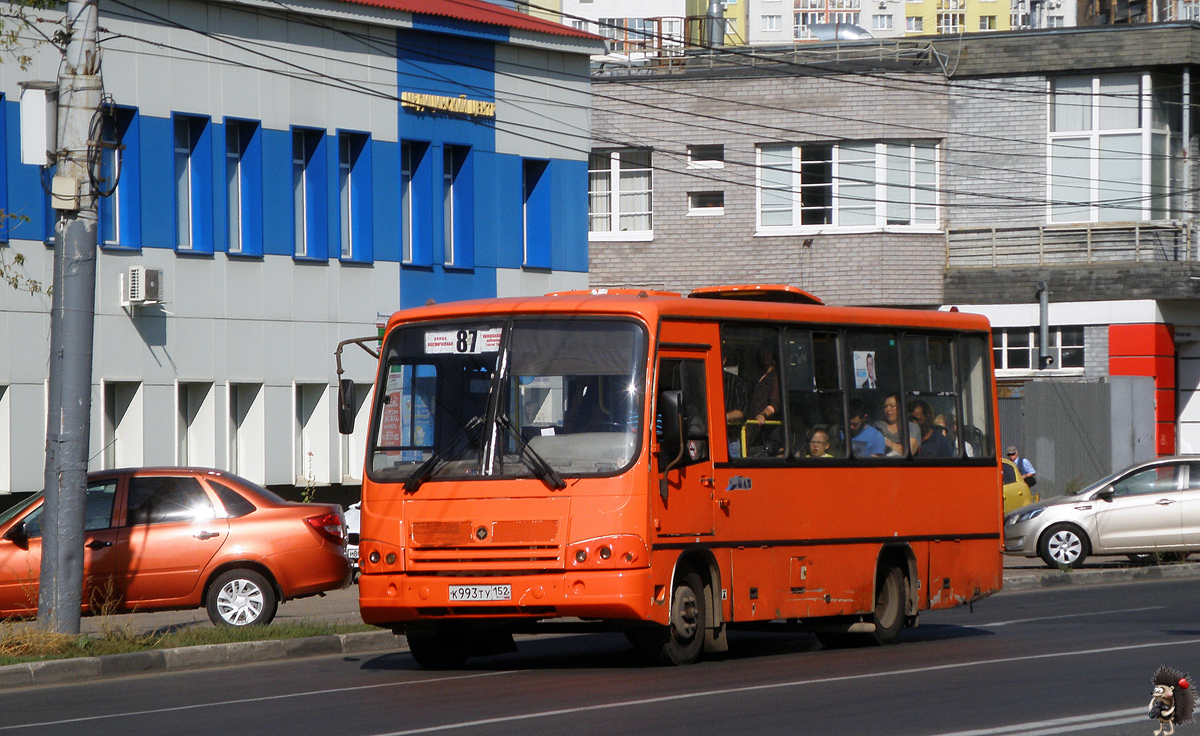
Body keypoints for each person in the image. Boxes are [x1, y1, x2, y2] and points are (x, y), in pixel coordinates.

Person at [746, 342, 782, 456]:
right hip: (754, 433)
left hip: (767, 435)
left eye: (768, 353)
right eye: (763, 353)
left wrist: (763, 414)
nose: (765, 356)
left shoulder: (774, 376)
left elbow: (775, 403)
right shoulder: (761, 377)